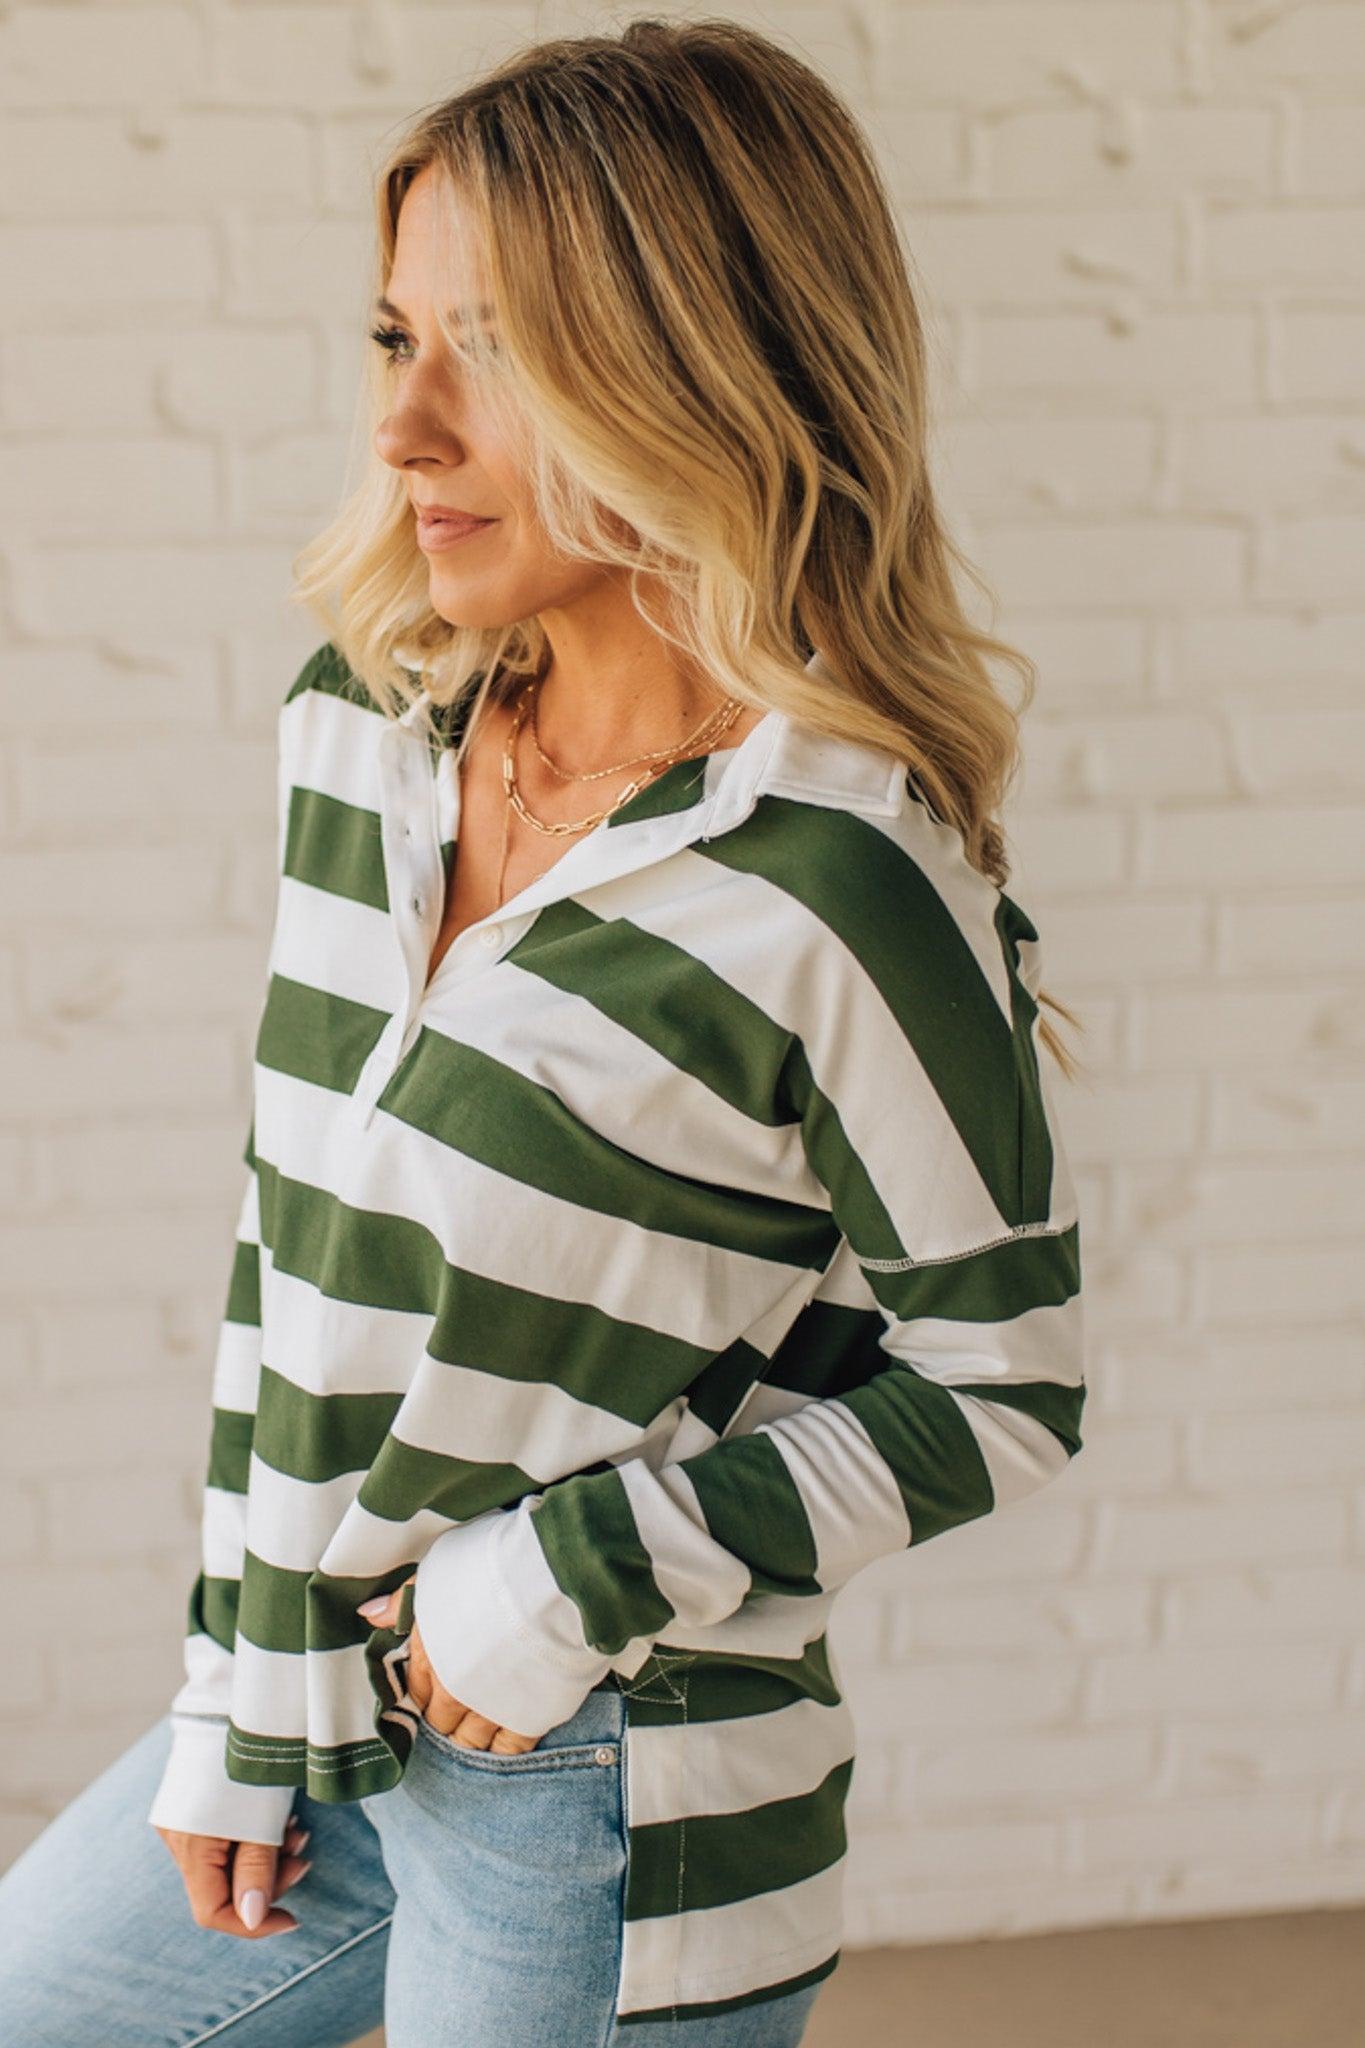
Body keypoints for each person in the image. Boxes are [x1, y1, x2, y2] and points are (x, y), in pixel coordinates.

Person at [0, 17, 1088, 2046]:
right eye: (393, 338)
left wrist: (567, 1576)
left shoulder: (839, 878)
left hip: (602, 1779)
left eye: (490, 352)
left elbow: (1006, 1383)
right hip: (327, 1719)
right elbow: (294, 1252)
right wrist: (237, 1681)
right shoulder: (366, 733)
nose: (405, 429)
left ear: (703, 373)